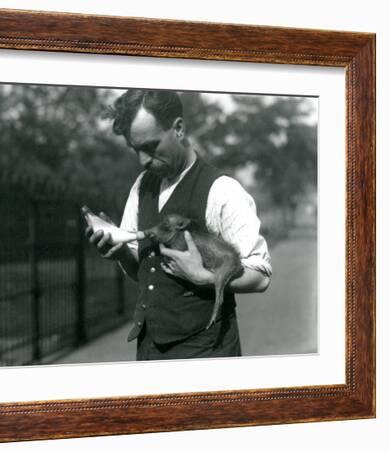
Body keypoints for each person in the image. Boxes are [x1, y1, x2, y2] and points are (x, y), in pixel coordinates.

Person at [86, 89, 272, 360]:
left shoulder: (222, 190)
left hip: (207, 353)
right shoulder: (142, 186)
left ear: (179, 129)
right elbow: (145, 271)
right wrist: (121, 252)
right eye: (135, 150)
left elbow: (261, 275)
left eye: (150, 147)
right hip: (150, 349)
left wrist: (205, 277)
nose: (143, 160)